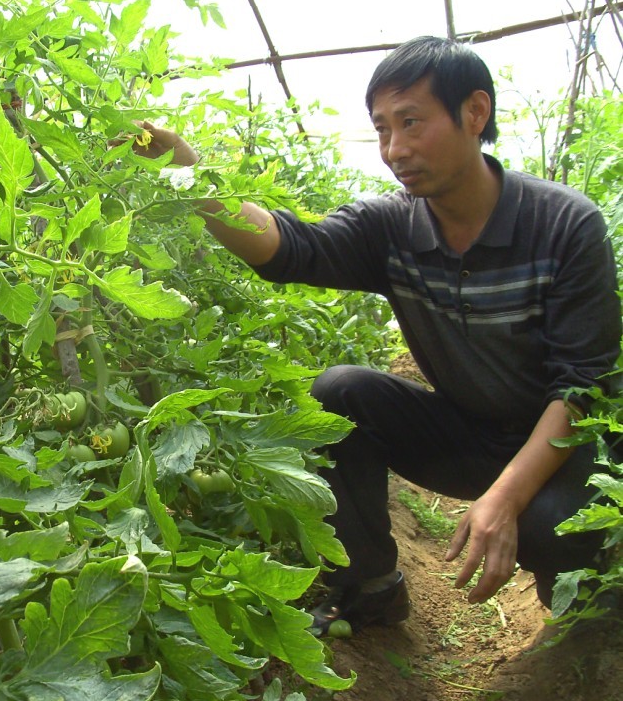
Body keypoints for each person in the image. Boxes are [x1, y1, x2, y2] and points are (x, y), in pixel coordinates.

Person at [131, 36, 621, 634]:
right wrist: (188, 168)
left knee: (558, 530)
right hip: (467, 436)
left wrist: (508, 499)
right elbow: (290, 249)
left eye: (411, 122)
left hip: (564, 449)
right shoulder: (391, 227)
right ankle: (371, 588)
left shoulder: (565, 225)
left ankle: (581, 626)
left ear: (475, 112)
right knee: (339, 393)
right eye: (382, 129)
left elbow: (582, 388)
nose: (395, 149)